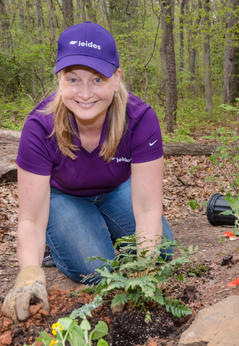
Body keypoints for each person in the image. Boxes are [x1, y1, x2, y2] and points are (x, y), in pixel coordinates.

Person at [2, 22, 173, 322]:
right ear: (59, 79)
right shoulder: (39, 127)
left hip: (115, 190)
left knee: (163, 251)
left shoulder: (141, 119)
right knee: (98, 271)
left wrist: (144, 272)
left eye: (97, 79)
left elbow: (147, 207)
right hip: (62, 197)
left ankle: (100, 228)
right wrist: (30, 275)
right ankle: (56, 247)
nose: (84, 93)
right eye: (73, 79)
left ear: (116, 78)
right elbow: (30, 218)